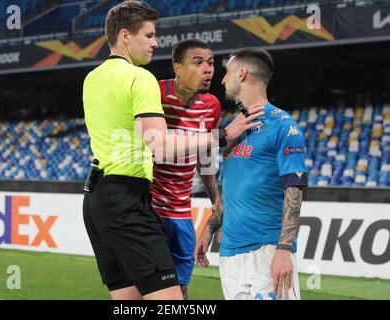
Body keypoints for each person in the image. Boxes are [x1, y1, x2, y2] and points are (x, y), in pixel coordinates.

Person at [82, 1, 263, 300]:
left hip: (96, 200)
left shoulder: (92, 78)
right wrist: (222, 134)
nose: (155, 43)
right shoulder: (141, 79)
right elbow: (160, 144)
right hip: (130, 199)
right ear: (125, 35)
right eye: (149, 35)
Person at [194, 48, 308, 300]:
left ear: (242, 73)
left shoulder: (284, 126)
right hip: (230, 254)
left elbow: (294, 189)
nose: (222, 80)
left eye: (227, 72)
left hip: (266, 251)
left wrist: (284, 250)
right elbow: (233, 187)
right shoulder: (234, 129)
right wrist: (210, 228)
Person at [151, 39, 223, 299]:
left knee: (181, 290)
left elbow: (204, 155)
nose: (208, 69)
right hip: (151, 210)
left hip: (182, 214)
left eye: (211, 63)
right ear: (177, 68)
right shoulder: (154, 93)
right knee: (146, 289)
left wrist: (215, 198)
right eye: (198, 62)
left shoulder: (212, 105)